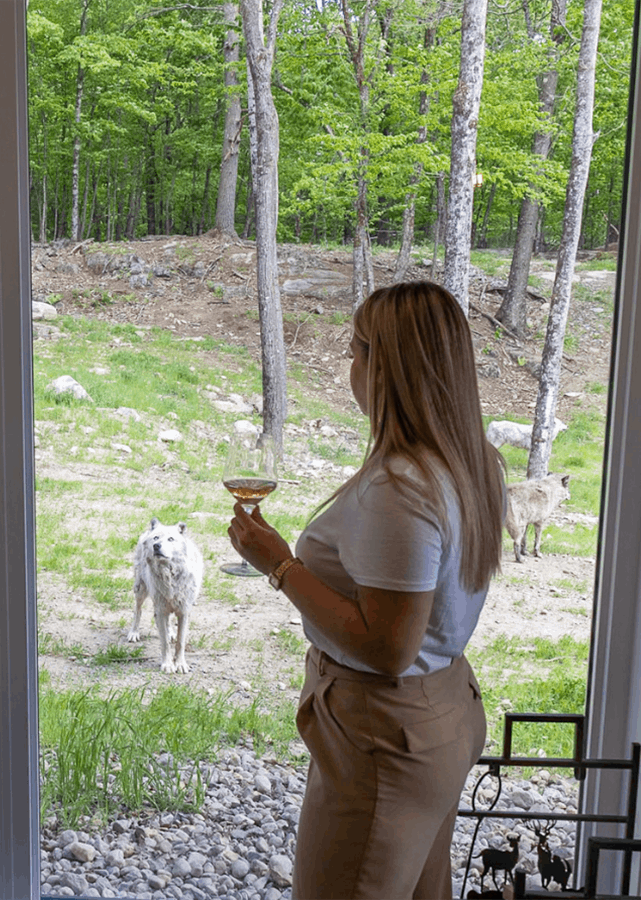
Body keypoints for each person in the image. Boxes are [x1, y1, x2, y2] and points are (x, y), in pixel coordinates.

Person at [228, 281, 505, 899]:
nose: (348, 366)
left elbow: (386, 648)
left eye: (356, 350)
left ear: (386, 367)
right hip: (440, 709)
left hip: (386, 734)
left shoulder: (401, 490)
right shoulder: (471, 460)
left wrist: (278, 564)